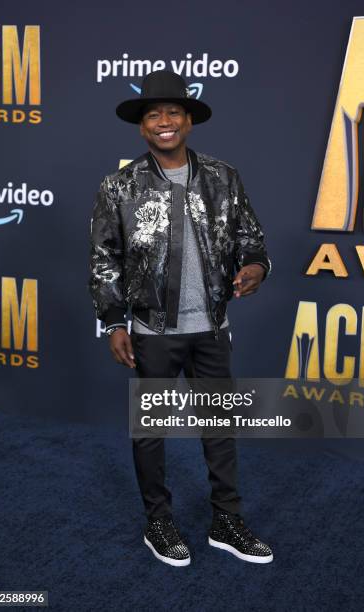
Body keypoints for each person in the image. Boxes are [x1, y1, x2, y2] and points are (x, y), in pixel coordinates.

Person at [89, 70, 273, 567]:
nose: (164, 122)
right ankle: (159, 521)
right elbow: (105, 258)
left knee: (220, 425)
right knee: (152, 430)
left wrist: (255, 266)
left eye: (174, 112)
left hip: (211, 328)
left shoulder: (223, 176)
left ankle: (226, 520)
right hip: (152, 331)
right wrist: (115, 322)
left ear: (189, 121)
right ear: (142, 128)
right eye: (154, 115)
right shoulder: (119, 186)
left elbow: (251, 240)